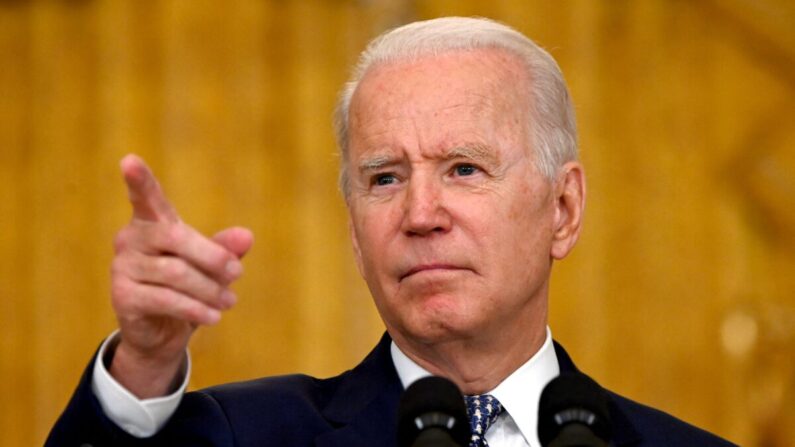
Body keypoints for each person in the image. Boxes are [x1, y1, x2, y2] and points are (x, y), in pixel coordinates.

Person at [47, 17, 735, 447]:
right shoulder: (243, 434)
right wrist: (142, 360)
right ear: (353, 229)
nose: (420, 212)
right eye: (384, 178)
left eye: (464, 168)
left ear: (562, 209)